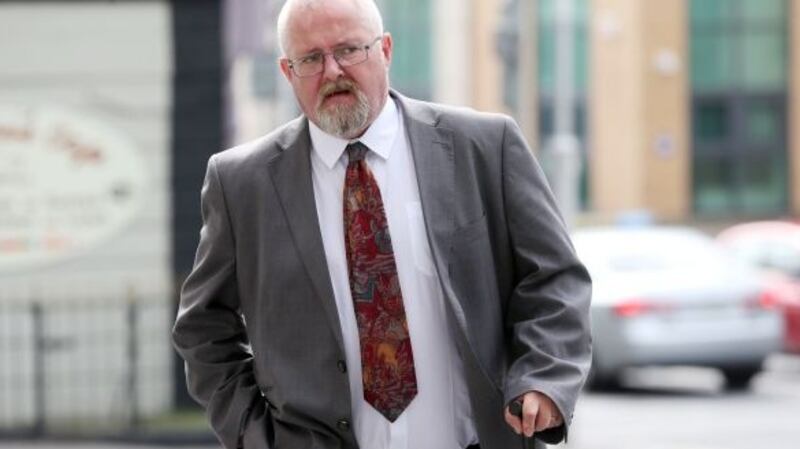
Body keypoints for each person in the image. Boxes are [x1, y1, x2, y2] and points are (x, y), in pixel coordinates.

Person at [172, 0, 592, 448]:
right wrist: (254, 435)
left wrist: (543, 377)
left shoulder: (484, 147)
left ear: (386, 50)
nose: (332, 70)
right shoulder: (241, 184)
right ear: (286, 71)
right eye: (310, 58)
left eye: (350, 49)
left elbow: (555, 280)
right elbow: (202, 328)